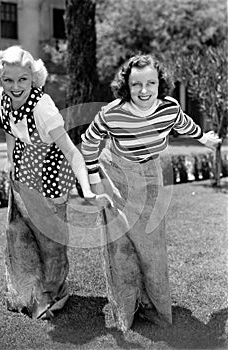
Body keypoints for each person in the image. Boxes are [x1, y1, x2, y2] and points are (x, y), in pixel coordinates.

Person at [81, 53, 221, 331]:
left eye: (151, 83)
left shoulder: (168, 108)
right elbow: (88, 143)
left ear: (160, 84)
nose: (144, 91)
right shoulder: (112, 113)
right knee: (120, 244)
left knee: (152, 244)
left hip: (150, 176)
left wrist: (205, 138)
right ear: (126, 86)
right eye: (136, 85)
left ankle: (155, 308)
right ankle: (127, 309)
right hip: (117, 173)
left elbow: (185, 123)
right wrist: (95, 178)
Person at [0, 45, 110, 320]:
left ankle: (52, 293)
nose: (15, 87)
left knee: (51, 243)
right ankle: (29, 294)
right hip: (23, 172)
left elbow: (72, 152)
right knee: (18, 237)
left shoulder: (43, 109)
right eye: (8, 80)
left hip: (51, 177)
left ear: (33, 78)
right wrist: (10, 160)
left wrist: (87, 189)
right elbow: (9, 129)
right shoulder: (0, 98)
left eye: (23, 80)